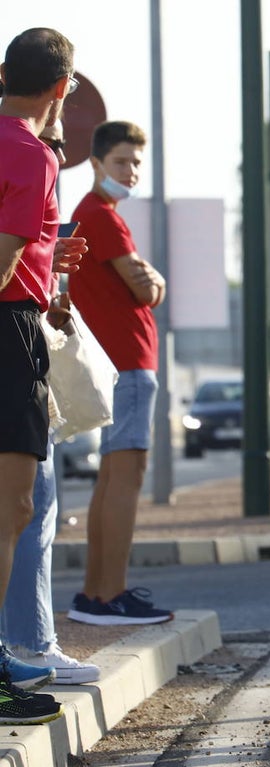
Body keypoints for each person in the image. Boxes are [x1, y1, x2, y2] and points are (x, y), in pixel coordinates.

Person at [0, 26, 86, 724]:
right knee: (12, 509)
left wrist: (46, 264)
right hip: (6, 330)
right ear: (60, 89)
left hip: (18, 316)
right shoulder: (30, 153)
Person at [66, 120, 173, 626]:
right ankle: (110, 595)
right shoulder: (101, 215)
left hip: (119, 362)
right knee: (125, 477)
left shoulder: (95, 215)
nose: (130, 172)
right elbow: (144, 288)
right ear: (96, 163)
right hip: (127, 362)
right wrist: (154, 281)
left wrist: (150, 279)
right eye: (121, 162)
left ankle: (94, 593)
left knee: (111, 478)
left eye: (135, 163)